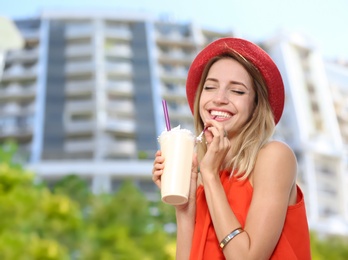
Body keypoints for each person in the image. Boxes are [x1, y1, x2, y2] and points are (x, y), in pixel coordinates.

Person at [152, 37, 311, 259]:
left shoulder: (274, 157)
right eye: (210, 87)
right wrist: (184, 208)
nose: (219, 98)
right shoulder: (205, 176)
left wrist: (209, 176)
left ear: (256, 107)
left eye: (237, 91)